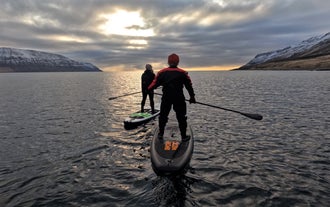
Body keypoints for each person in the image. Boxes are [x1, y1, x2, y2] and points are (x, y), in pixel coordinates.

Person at [148, 53, 196, 141]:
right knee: (181, 116)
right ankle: (184, 136)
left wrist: (149, 89)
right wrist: (192, 97)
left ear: (168, 62)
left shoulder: (161, 73)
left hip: (167, 98)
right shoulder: (183, 73)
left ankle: (161, 134)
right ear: (178, 62)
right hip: (179, 98)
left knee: (163, 116)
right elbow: (189, 86)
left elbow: (154, 84)